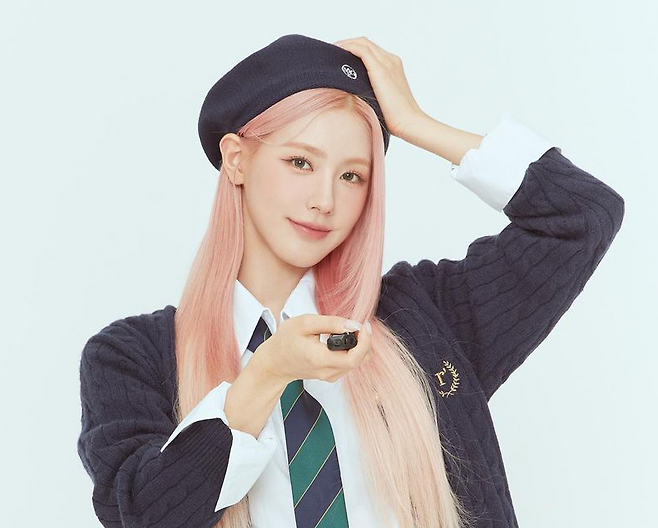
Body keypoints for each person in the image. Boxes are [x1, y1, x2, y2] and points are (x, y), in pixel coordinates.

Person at [77, 34, 625, 528]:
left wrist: (414, 123)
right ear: (236, 160)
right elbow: (142, 515)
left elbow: (583, 217)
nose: (325, 200)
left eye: (352, 175)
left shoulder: (423, 320)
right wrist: (265, 375)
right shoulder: (132, 357)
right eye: (300, 162)